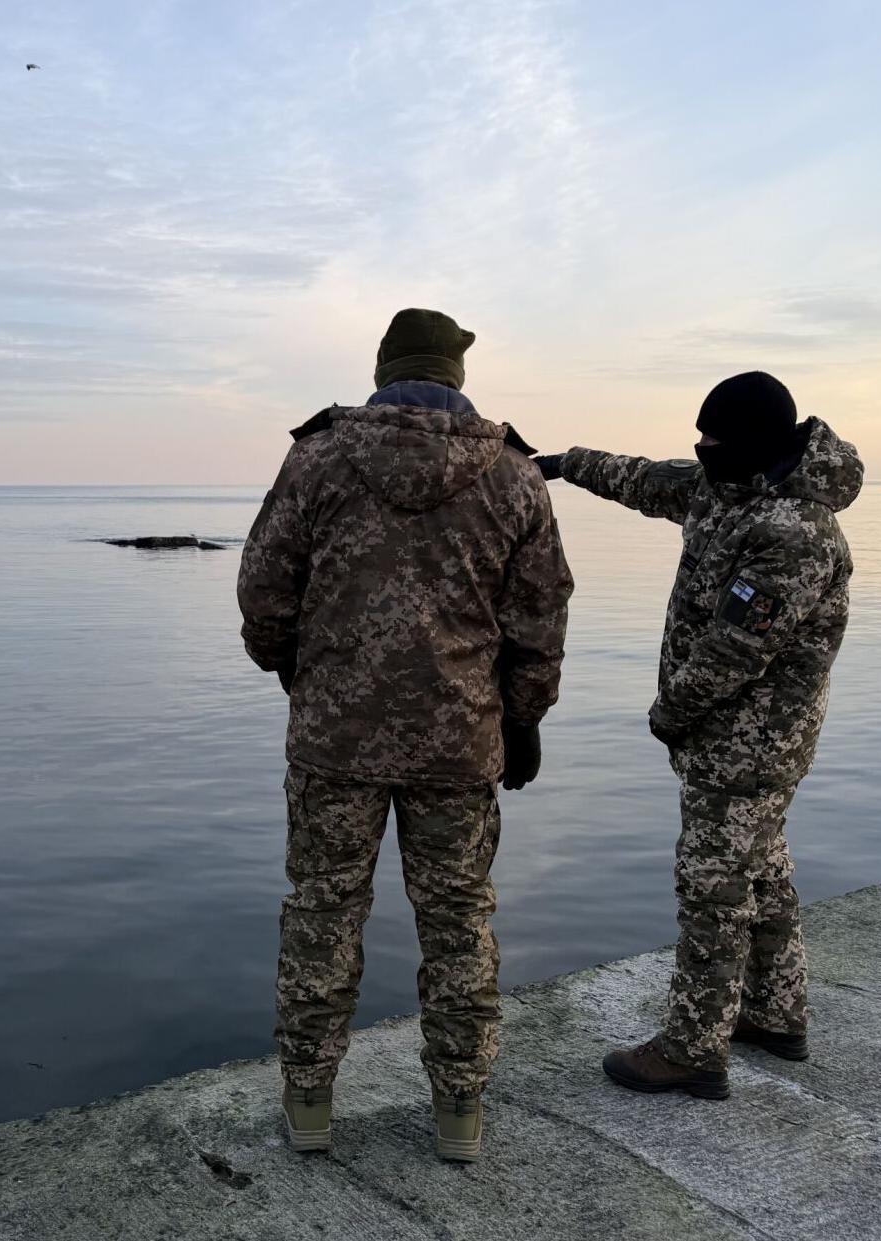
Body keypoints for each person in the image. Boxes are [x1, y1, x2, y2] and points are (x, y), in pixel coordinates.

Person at [237, 308, 574, 1159]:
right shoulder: (512, 474)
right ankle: (459, 1112)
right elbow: (539, 616)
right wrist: (524, 718)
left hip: (334, 738)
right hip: (459, 741)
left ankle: (309, 1103)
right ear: (455, 376)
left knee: (322, 913)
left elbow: (264, 588)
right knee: (458, 920)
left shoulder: (316, 457)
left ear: (384, 368)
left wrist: (291, 670)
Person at [535, 372, 862, 1100]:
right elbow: (645, 479)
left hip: (750, 745)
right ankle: (774, 1012)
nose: (699, 447)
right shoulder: (729, 486)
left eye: (712, 437)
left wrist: (668, 713)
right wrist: (560, 462)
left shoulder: (792, 532)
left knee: (712, 889)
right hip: (732, 741)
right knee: (762, 872)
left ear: (750, 442)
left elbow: (733, 652)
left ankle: (692, 1046)